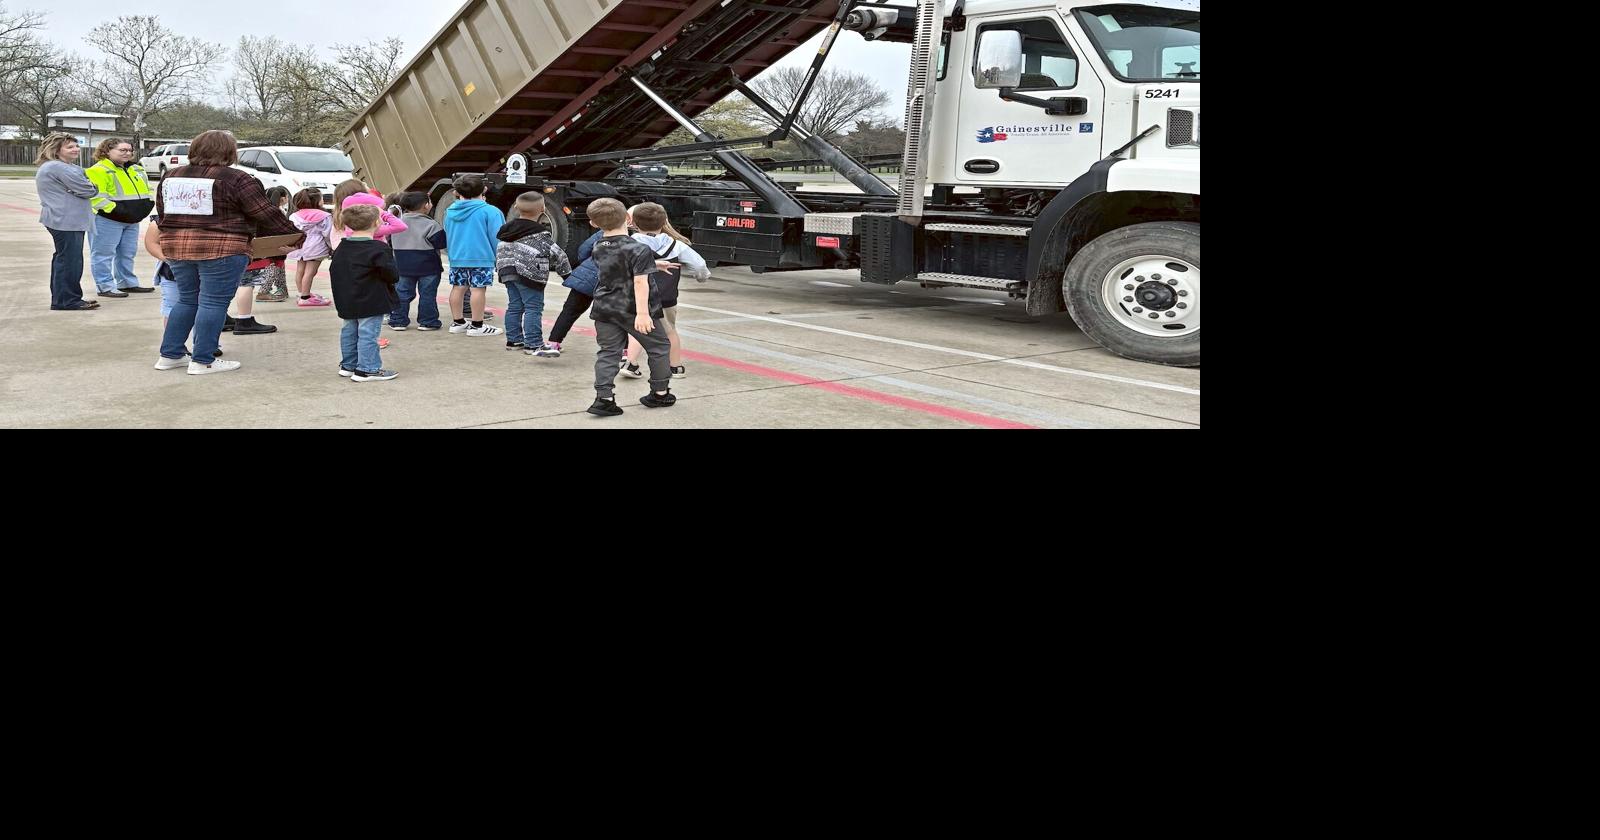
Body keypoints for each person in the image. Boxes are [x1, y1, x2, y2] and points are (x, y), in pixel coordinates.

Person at [152, 130, 301, 376]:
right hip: (223, 248)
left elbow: (163, 213)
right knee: (213, 302)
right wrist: (296, 236)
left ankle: (170, 354)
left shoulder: (171, 176)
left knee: (187, 299)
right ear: (230, 152)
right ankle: (203, 360)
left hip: (177, 247)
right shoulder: (237, 178)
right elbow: (265, 212)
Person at [583, 197, 674, 417]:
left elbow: (617, 264)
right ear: (628, 218)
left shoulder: (598, 245)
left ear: (594, 224)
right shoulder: (638, 248)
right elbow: (639, 281)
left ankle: (603, 398)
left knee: (608, 352)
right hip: (634, 309)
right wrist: (643, 314)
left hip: (605, 308)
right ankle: (660, 392)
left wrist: (652, 264)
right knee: (659, 347)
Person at [330, 204, 400, 382]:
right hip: (372, 298)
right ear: (377, 222)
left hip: (346, 297)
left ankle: (349, 365)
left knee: (349, 330)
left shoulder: (341, 247)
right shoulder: (378, 248)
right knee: (368, 333)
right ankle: (368, 369)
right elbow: (391, 274)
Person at [495, 191, 571, 354]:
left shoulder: (506, 231)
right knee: (533, 307)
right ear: (543, 209)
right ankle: (533, 343)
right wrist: (568, 276)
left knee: (515, 306)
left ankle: (514, 340)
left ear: (516, 207)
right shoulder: (540, 234)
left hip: (507, 271)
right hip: (529, 275)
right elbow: (559, 255)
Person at [33, 133, 101, 311]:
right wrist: (91, 187)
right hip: (66, 220)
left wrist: (81, 187)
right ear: (56, 150)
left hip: (64, 219)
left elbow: (81, 186)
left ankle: (65, 297)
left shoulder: (60, 167)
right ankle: (68, 300)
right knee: (70, 261)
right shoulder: (59, 167)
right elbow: (87, 189)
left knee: (64, 259)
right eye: (69, 147)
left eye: (76, 145)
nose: (76, 149)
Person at [85, 137, 156, 298]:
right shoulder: (98, 170)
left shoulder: (136, 169)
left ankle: (127, 283)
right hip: (107, 220)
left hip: (131, 220)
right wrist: (118, 210)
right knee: (103, 254)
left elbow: (148, 189)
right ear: (107, 151)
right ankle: (105, 286)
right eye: (122, 150)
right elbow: (96, 197)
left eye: (130, 150)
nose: (128, 153)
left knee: (127, 253)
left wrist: (147, 204)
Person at [442, 175, 504, 337]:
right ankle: (477, 325)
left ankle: (458, 322)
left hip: (457, 256)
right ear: (484, 190)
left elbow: (448, 232)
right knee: (478, 289)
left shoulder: (450, 211)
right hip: (481, 257)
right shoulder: (490, 211)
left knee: (458, 288)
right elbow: (497, 237)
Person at [390, 192, 447, 331]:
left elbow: (389, 241)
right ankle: (428, 321)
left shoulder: (397, 222)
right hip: (428, 266)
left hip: (402, 265)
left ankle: (398, 321)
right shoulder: (431, 224)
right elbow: (440, 243)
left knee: (402, 293)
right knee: (427, 294)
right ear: (426, 205)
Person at [288, 188, 334, 306]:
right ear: (317, 201)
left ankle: (301, 292)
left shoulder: (294, 215)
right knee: (310, 272)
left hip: (299, 244)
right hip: (316, 245)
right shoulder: (325, 215)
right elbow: (328, 234)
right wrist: (331, 246)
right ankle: (305, 297)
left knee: (300, 270)